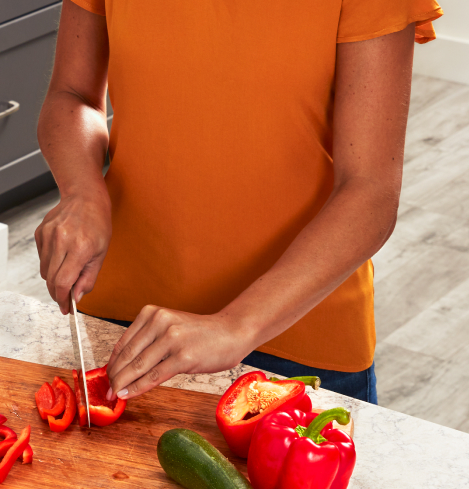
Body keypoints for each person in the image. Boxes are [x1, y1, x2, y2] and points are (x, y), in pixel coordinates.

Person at [35, 0, 443, 406]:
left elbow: (370, 190)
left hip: (297, 340)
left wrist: (236, 326)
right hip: (126, 324)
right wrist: (82, 192)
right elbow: (73, 94)